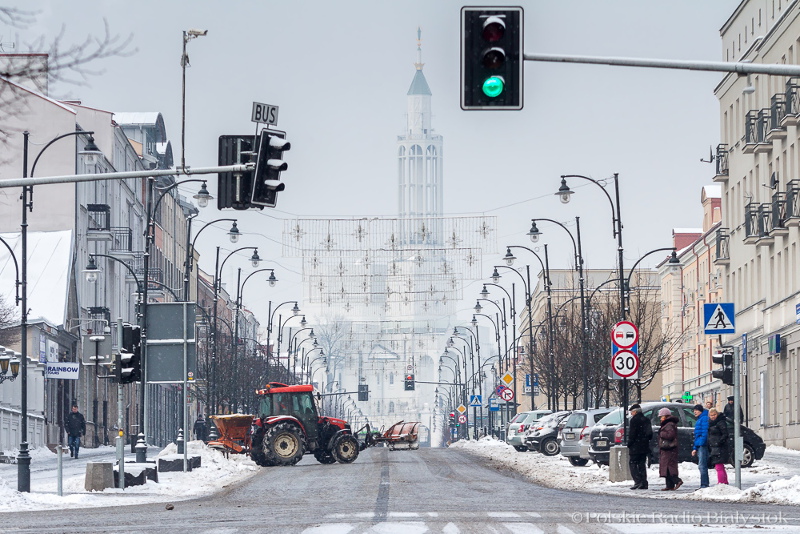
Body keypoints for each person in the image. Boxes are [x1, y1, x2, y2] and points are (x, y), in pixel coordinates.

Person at [627, 404, 652, 490]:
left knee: (633, 463)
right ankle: (644, 482)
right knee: (642, 464)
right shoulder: (646, 420)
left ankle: (637, 481)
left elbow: (632, 434)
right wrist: (645, 440)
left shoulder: (634, 420)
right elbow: (650, 434)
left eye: (632, 412)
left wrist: (629, 443)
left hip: (635, 446)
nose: (631, 414)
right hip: (644, 446)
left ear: (635, 412)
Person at [658, 407, 682, 490]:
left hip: (669, 448)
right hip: (667, 449)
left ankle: (677, 481)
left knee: (669, 467)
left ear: (665, 416)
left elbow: (670, 435)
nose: (660, 418)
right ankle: (669, 485)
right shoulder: (668, 424)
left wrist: (661, 433)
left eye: (661, 416)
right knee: (666, 467)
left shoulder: (669, 424)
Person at [707, 408, 729, 485]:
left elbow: (725, 434)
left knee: (718, 466)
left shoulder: (721, 422)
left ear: (717, 414)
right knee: (719, 466)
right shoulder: (710, 423)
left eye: (714, 415)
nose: (713, 417)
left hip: (719, 447)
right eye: (711, 415)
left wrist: (718, 442)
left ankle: (721, 482)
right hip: (714, 446)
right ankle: (724, 482)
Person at [691, 403, 710, 488]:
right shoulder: (700, 419)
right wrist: (695, 447)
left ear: (700, 411)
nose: (695, 412)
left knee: (702, 466)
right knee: (701, 466)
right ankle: (704, 484)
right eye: (694, 411)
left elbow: (704, 434)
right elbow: (698, 435)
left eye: (697, 410)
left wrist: (700, 444)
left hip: (703, 446)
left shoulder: (704, 419)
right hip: (700, 445)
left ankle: (704, 484)